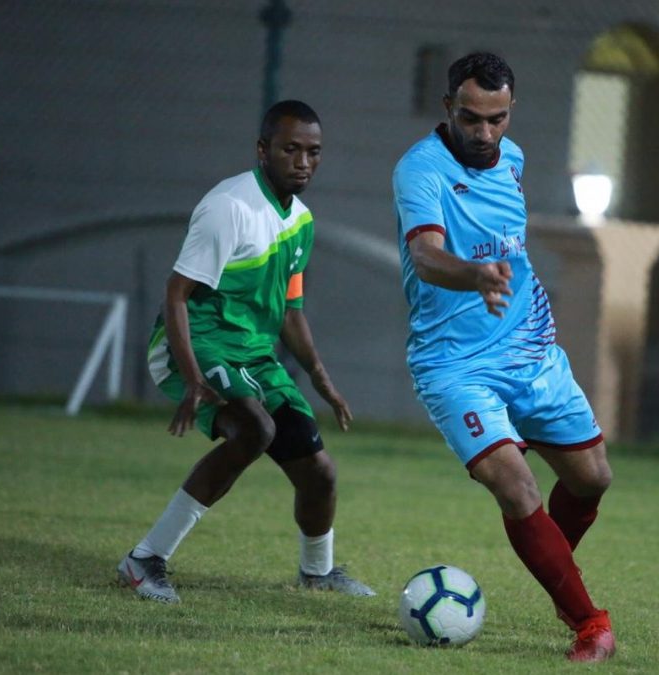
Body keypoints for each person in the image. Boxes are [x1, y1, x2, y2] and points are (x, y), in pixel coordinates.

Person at [392, 53, 615, 662]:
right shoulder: (420, 170)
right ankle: (590, 623)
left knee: (593, 478)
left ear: (511, 110)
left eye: (497, 119)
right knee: (516, 488)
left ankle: (551, 565)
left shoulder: (512, 159)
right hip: (454, 366)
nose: (485, 133)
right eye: (471, 118)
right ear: (448, 108)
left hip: (530, 350)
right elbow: (427, 257)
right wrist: (477, 277)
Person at [117, 100, 374, 603]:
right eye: (290, 149)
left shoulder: (301, 220)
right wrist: (193, 379)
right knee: (256, 430)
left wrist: (319, 377)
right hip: (199, 343)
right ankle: (144, 559)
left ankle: (317, 572)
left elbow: (291, 312)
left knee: (319, 470)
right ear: (262, 150)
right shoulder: (229, 207)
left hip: (252, 355)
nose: (303, 162)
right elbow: (176, 294)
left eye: (313, 152)